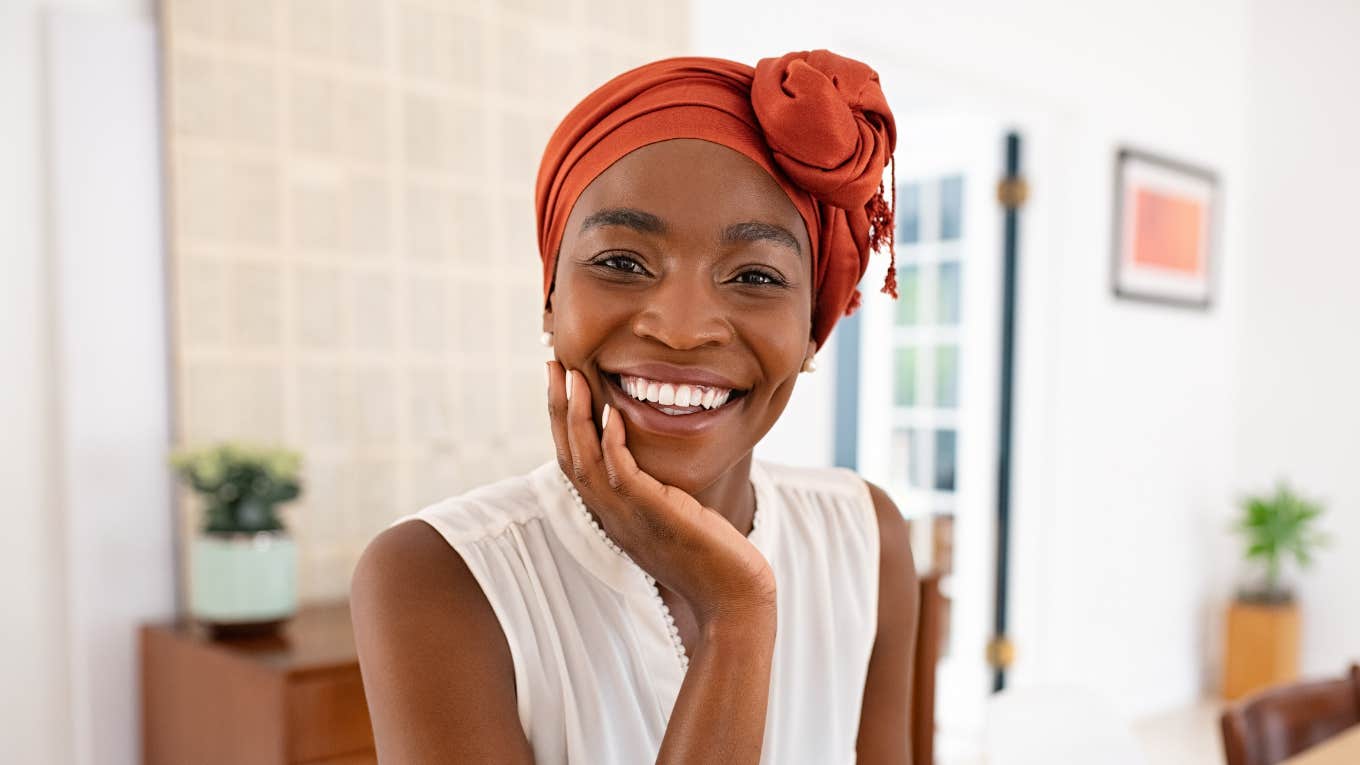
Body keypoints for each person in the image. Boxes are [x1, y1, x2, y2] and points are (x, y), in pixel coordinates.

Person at [351, 49, 919, 764]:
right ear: (550, 301)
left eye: (754, 274)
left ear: (814, 327)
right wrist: (734, 619)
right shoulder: (436, 575)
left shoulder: (865, 537)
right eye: (621, 262)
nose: (681, 328)